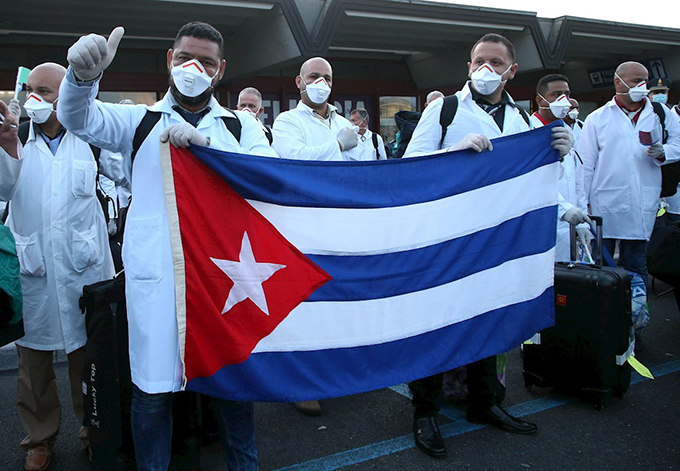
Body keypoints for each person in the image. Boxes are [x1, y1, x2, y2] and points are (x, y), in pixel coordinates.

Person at [57, 22, 277, 471]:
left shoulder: (241, 124)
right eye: (184, 58)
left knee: (232, 391)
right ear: (168, 60)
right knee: (152, 393)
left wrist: (208, 148)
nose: (193, 68)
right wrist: (81, 80)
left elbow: (266, 174)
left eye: (206, 62)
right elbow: (77, 118)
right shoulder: (138, 121)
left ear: (219, 72)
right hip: (157, 280)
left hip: (225, 280)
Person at [403, 33, 574, 458]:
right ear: (468, 66)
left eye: (496, 62)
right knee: (435, 325)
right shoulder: (444, 111)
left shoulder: (521, 120)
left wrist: (560, 158)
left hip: (496, 242)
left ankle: (486, 403)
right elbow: (408, 166)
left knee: (489, 320)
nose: (486, 69)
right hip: (446, 240)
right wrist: (453, 153)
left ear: (511, 71)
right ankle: (424, 411)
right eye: (479, 61)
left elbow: (533, 184)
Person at [0, 63, 115, 471]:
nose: (35, 99)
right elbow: (2, 188)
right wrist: (8, 143)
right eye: (30, 90)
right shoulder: (16, 141)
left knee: (89, 359)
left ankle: (92, 431)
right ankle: (39, 438)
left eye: (45, 91)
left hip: (83, 273)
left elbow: (129, 175)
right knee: (33, 364)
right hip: (33, 270)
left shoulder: (92, 138)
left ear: (65, 94)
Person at [578, 61, 680, 287]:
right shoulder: (598, 118)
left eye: (644, 81)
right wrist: (582, 203)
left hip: (643, 204)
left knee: (636, 266)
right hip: (604, 205)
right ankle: (602, 319)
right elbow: (586, 166)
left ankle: (636, 318)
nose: (642, 86)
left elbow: (679, 143)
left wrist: (664, 151)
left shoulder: (660, 114)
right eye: (636, 81)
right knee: (601, 269)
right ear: (618, 82)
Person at [530, 74, 591, 261]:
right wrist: (564, 209)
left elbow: (577, 181)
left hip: (569, 227)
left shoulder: (570, 131)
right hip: (540, 225)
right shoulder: (527, 131)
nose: (563, 100)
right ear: (540, 100)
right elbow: (532, 181)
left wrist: (582, 223)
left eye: (566, 94)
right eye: (556, 94)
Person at [272, 57, 361, 162]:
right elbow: (296, 159)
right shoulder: (286, 121)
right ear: (299, 81)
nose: (321, 83)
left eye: (327, 79)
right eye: (314, 77)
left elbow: (356, 165)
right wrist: (339, 144)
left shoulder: (344, 124)